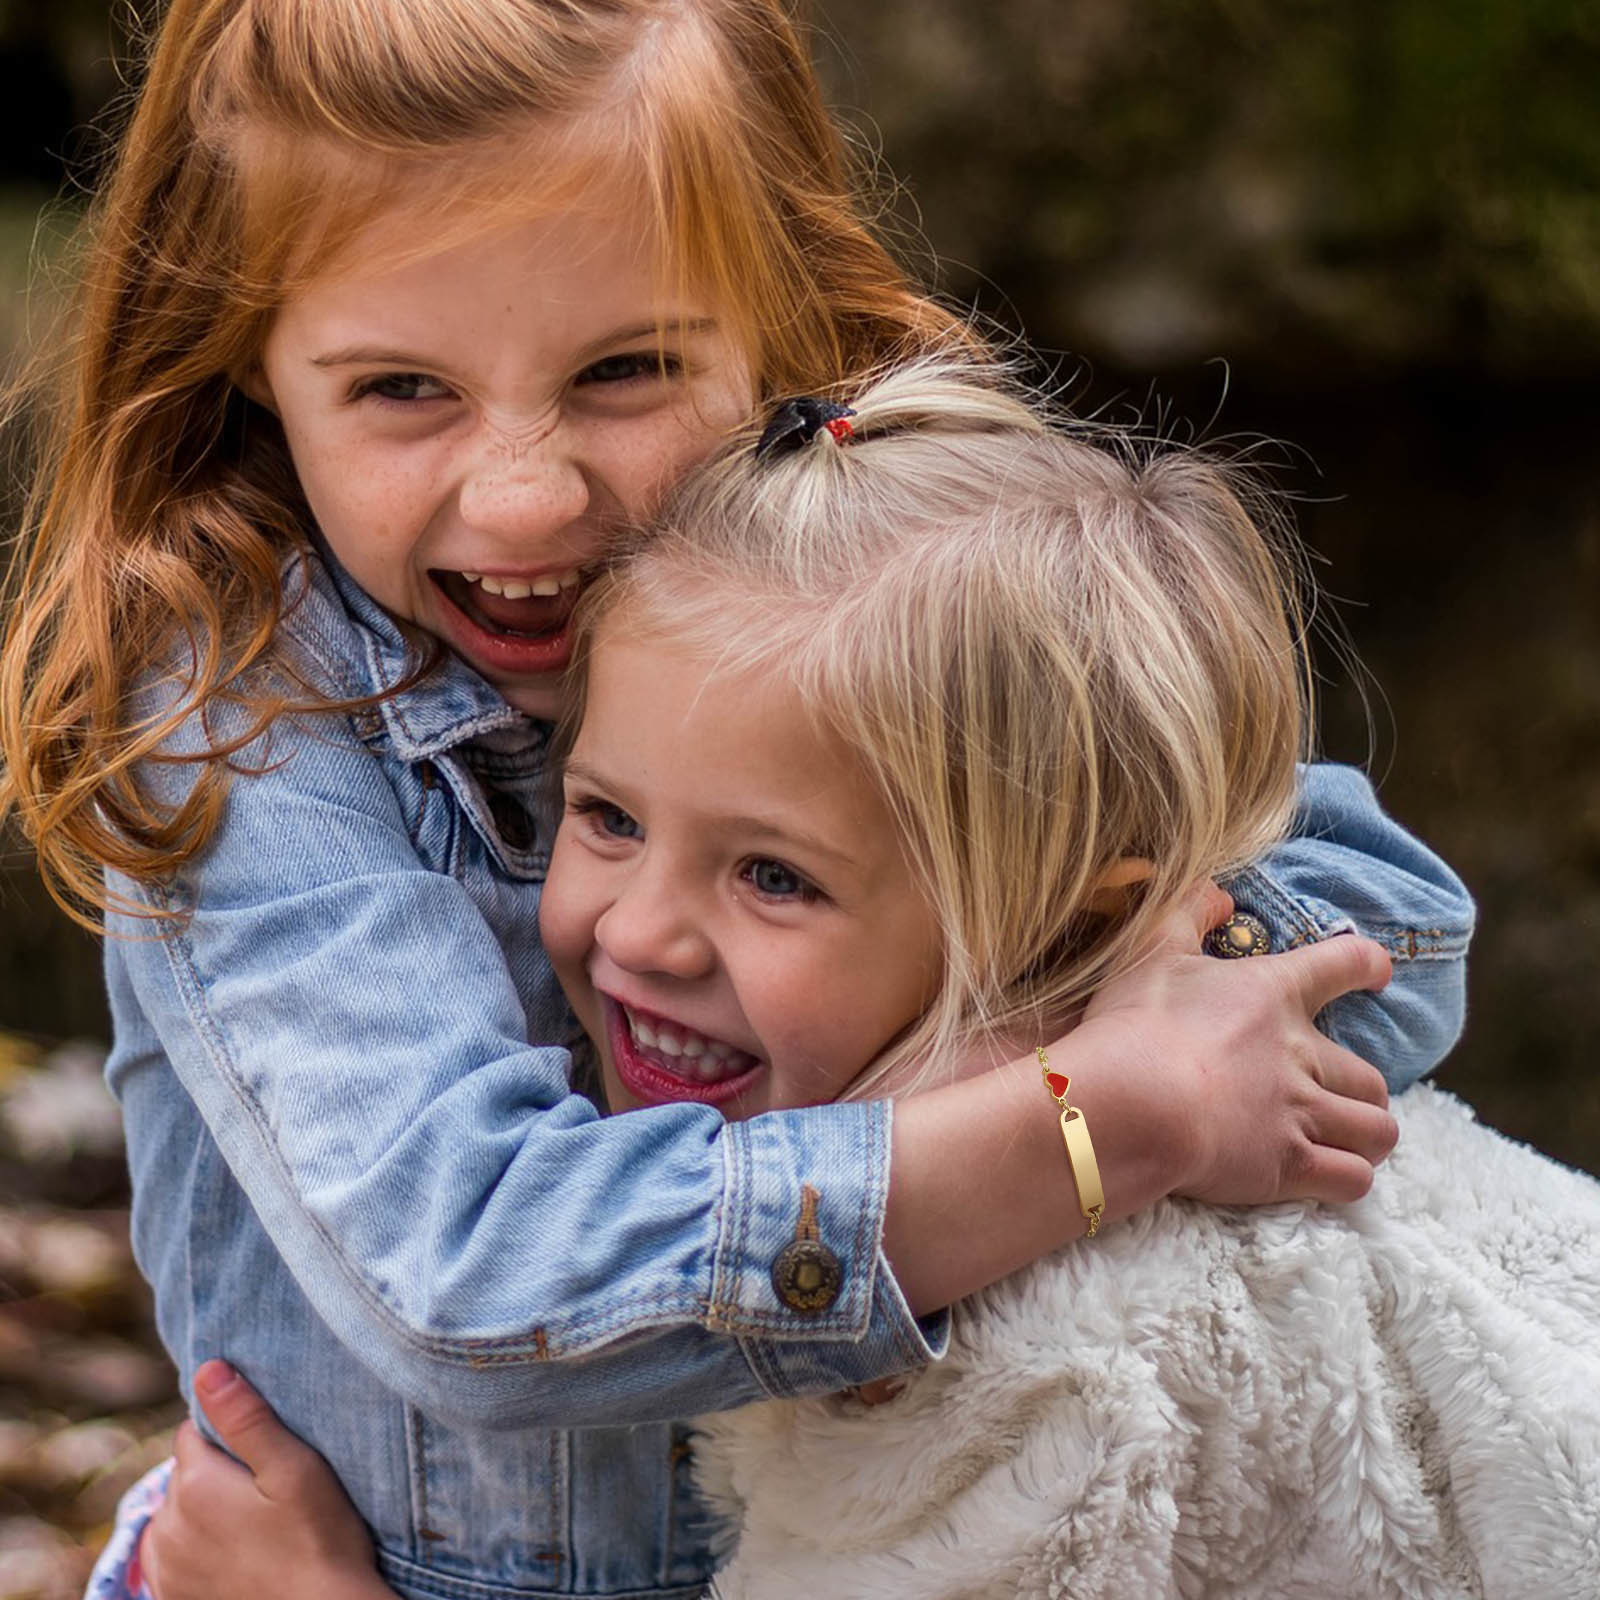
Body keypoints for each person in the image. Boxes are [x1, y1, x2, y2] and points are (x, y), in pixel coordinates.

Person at [0, 3, 1467, 1597]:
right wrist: (1089, 1118)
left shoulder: (881, 569)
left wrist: (999, 1045)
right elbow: (478, 1275)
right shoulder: (244, 713)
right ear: (250, 370)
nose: (524, 494)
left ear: (774, 317)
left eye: (625, 370)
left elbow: (1380, 928)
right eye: (401, 390)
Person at [139, 363, 1596, 1600]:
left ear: (1066, 919)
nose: (640, 933)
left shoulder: (1078, 1365)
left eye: (775, 877)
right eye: (604, 817)